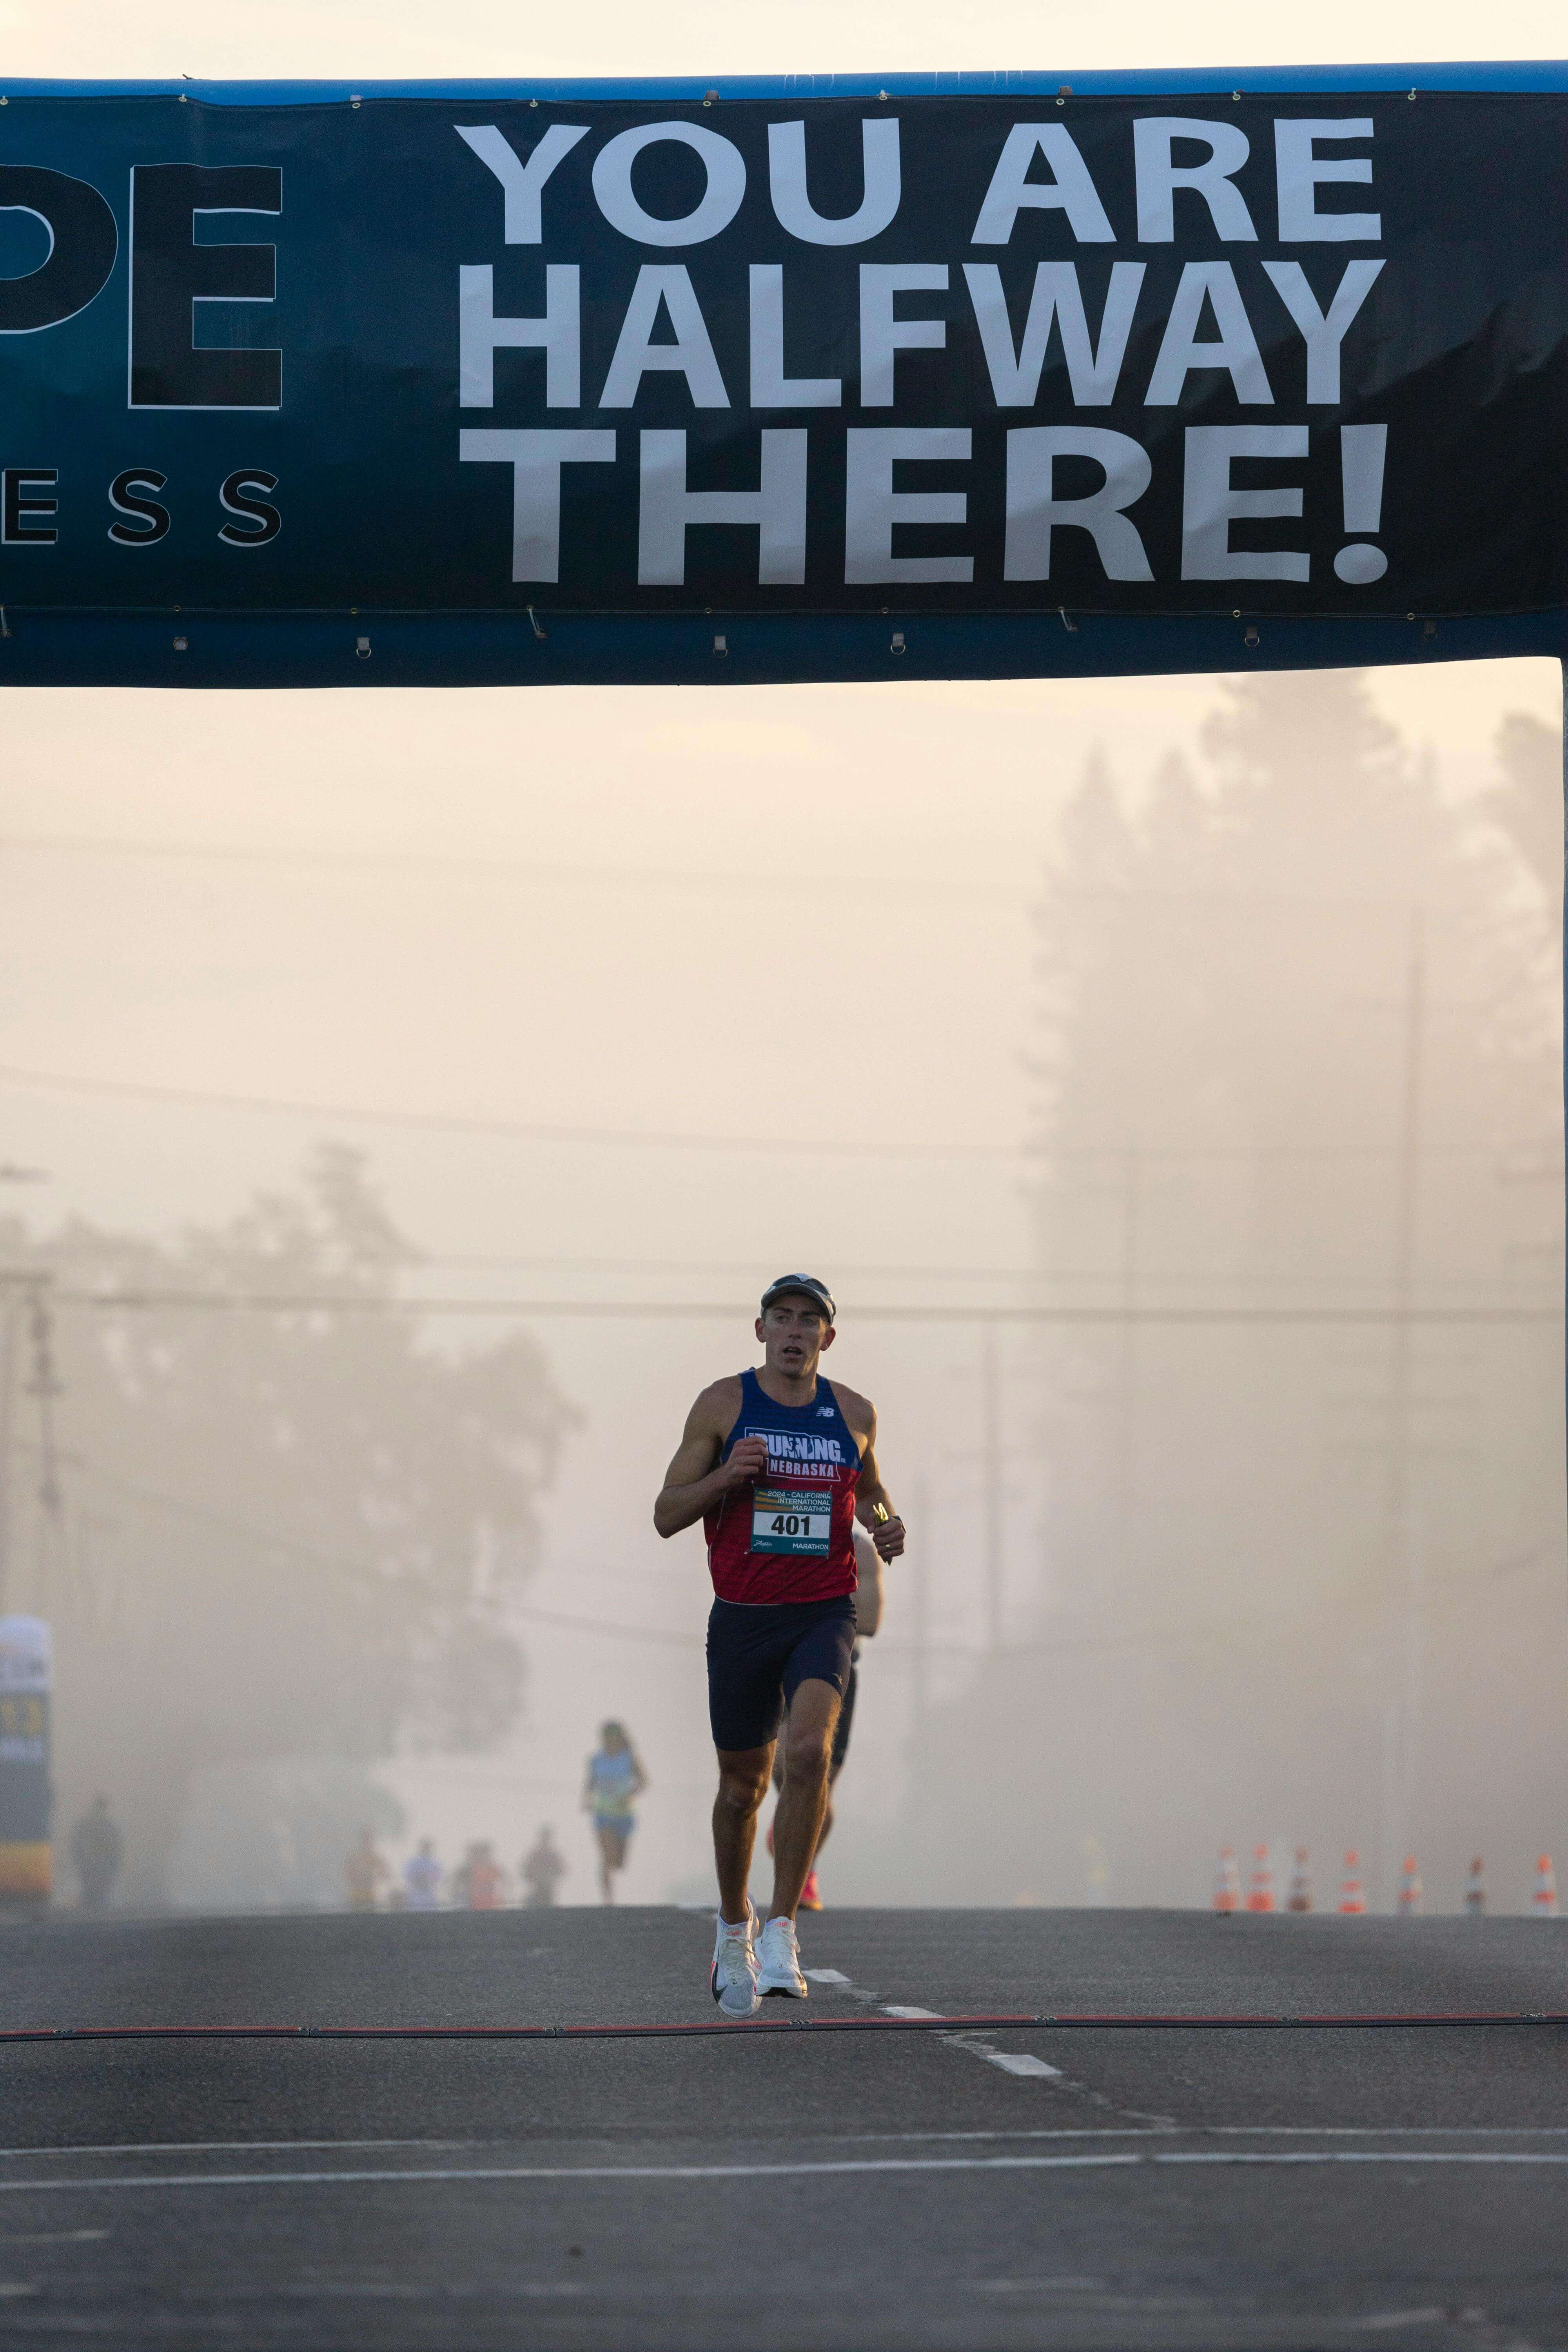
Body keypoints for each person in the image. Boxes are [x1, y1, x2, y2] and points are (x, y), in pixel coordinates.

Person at [654, 1272, 905, 2017]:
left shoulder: (854, 1412)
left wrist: (885, 1526)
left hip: (822, 1613)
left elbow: (869, 1492)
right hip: (743, 1617)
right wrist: (726, 1477)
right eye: (783, 1318)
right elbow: (666, 1513)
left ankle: (783, 1932)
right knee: (743, 1790)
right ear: (761, 1330)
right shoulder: (722, 1405)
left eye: (809, 1322)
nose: (795, 1332)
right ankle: (735, 1926)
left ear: (828, 1337)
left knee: (809, 1754)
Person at [768, 1519, 884, 1910]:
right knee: (784, 1767)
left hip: (835, 1667)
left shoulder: (859, 1548)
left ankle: (805, 1868)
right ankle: (791, 1824)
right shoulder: (777, 1530)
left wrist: (818, 1617)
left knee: (818, 1778)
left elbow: (870, 1622)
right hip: (778, 1662)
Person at [583, 1723, 647, 1903]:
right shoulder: (596, 1760)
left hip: (624, 1815)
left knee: (619, 1863)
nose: (608, 1742)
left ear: (619, 1739)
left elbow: (643, 1781)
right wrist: (587, 1799)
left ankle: (614, 1869)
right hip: (603, 1814)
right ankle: (608, 1899)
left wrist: (630, 1795)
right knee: (606, 1856)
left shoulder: (629, 1759)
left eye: (612, 1738)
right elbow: (590, 1783)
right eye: (605, 1738)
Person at [71, 1795, 123, 1913]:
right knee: (93, 1891)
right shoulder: (90, 1825)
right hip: (93, 1865)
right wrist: (81, 1862)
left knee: (98, 1892)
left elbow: (116, 1849)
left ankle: (95, 1913)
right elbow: (77, 1845)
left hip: (98, 1865)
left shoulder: (106, 1827)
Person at [521, 1824, 568, 1907]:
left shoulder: (553, 1855)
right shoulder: (535, 1855)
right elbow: (526, 1872)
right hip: (537, 1890)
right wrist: (537, 1877)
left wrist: (549, 1877)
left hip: (549, 1892)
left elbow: (562, 1871)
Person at [344, 1827, 388, 1913]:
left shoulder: (375, 1859)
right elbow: (349, 1875)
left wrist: (377, 1872)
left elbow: (385, 1875)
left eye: (369, 1839)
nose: (367, 1842)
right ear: (362, 1841)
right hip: (357, 1897)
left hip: (370, 1897)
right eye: (365, 1839)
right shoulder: (356, 1858)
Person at [403, 1837, 443, 1911]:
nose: (426, 1849)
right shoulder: (413, 1863)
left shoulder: (434, 1864)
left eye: (427, 1847)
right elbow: (408, 1877)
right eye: (424, 1847)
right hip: (415, 1898)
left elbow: (438, 1879)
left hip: (429, 1898)